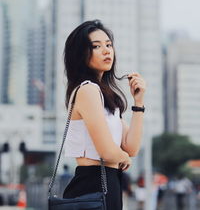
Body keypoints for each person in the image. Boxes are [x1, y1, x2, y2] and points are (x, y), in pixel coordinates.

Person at [62, 19, 146, 210]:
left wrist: (138, 104)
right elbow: (107, 152)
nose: (107, 50)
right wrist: (123, 158)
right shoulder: (87, 90)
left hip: (110, 183)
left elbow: (131, 148)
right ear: (81, 54)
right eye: (96, 46)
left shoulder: (105, 95)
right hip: (91, 183)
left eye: (108, 45)